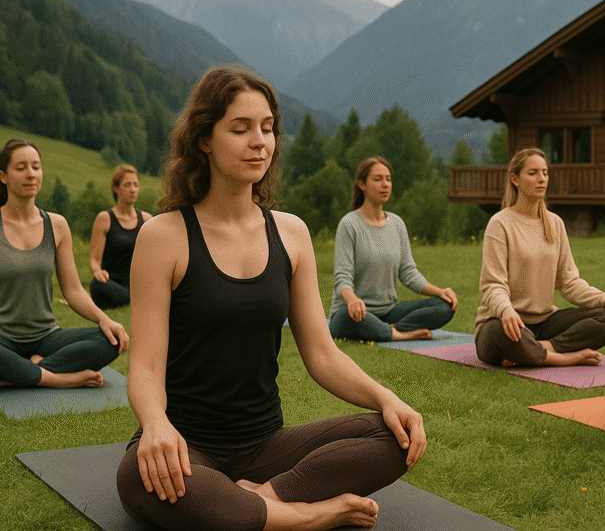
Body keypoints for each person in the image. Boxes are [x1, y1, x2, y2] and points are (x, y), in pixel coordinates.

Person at [116, 66, 425, 531]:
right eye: (240, 129)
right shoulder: (164, 236)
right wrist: (156, 425)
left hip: (265, 448)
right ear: (204, 139)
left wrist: (387, 398)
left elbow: (322, 354)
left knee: (397, 434)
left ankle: (266, 500)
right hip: (185, 445)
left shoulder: (292, 234)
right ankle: (309, 515)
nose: (259, 141)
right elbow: (144, 365)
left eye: (267, 128)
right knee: (138, 478)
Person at [475, 147, 605, 367]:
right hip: (505, 321)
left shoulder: (555, 224)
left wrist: (604, 299)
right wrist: (506, 310)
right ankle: (562, 357)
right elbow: (492, 285)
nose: (542, 179)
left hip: (543, 323)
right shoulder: (500, 224)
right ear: (515, 179)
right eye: (533, 173)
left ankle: (537, 350)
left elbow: (569, 282)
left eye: (545, 173)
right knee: (498, 332)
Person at [0, 138, 129, 389]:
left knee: (111, 339)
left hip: (47, 338)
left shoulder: (56, 225)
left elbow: (72, 290)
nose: (30, 174)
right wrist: (59, 379)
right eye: (21, 168)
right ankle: (56, 378)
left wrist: (104, 319)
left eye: (36, 167)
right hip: (2, 339)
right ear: (3, 176)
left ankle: (20, 372)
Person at [327, 156, 458, 343]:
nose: (385, 184)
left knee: (444, 306)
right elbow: (342, 278)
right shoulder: (349, 224)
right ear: (362, 184)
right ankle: (402, 334)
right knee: (348, 317)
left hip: (389, 312)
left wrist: (439, 292)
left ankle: (387, 330)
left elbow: (408, 273)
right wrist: (353, 300)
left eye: (388, 179)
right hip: (352, 311)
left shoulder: (396, 224)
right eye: (378, 179)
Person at [88, 164, 152, 310]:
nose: (133, 189)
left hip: (137, 284)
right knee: (97, 285)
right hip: (109, 283)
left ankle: (129, 299)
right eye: (127, 185)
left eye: (136, 185)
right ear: (116, 188)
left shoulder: (147, 220)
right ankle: (131, 301)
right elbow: (94, 259)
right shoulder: (105, 218)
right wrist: (97, 272)